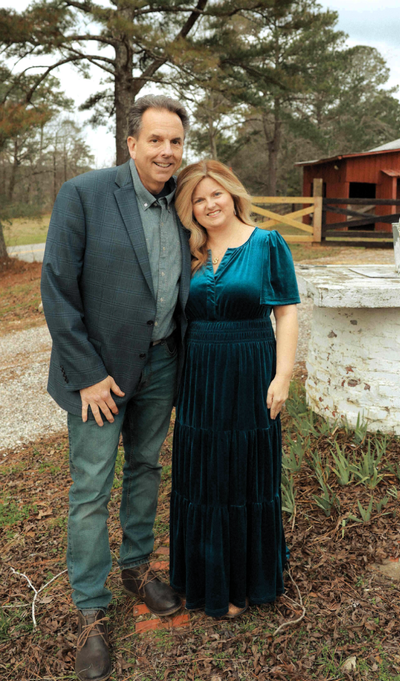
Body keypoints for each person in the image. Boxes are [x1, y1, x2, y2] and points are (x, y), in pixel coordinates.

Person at [41, 94, 191, 681]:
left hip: (161, 365)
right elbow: (57, 289)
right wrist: (85, 376)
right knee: (90, 490)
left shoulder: (183, 201)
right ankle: (91, 610)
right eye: (155, 139)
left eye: (175, 141)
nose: (166, 151)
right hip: (98, 378)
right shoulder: (84, 194)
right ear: (131, 143)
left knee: (146, 468)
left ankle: (137, 569)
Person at [169, 160, 300, 618]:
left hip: (251, 368)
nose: (209, 205)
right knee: (202, 473)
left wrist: (282, 376)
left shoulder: (267, 243)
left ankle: (245, 581)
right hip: (200, 375)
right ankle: (204, 578)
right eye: (198, 200)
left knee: (244, 470)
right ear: (189, 208)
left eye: (216, 194)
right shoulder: (187, 248)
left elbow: (286, 312)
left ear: (233, 193)